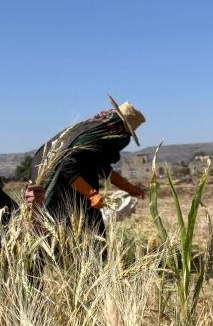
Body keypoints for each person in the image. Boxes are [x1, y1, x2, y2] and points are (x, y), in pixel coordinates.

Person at [31, 96, 147, 236]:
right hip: (66, 197)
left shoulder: (96, 138)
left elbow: (102, 168)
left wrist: (128, 188)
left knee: (92, 241)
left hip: (81, 199)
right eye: (125, 133)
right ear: (120, 127)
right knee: (76, 240)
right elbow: (68, 167)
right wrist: (91, 194)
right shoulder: (90, 140)